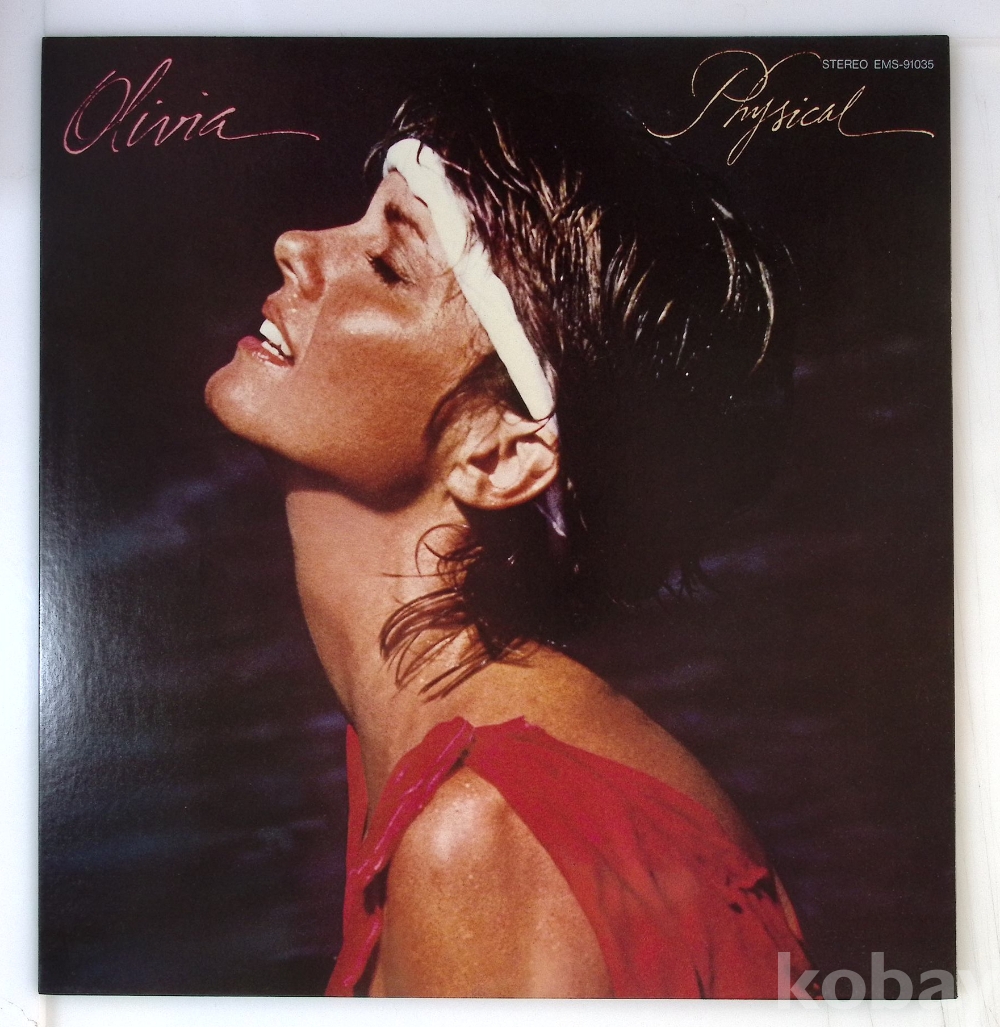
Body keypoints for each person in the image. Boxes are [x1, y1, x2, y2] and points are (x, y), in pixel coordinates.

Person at [205, 77, 815, 998]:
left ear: (503, 454)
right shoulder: (452, 759)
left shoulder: (484, 830)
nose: (297, 244)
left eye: (389, 264)